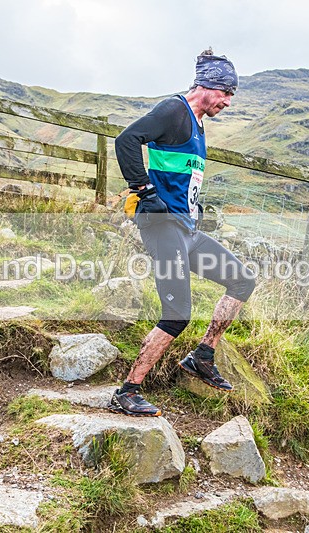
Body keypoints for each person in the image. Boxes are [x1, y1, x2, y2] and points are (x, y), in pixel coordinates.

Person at [110, 48, 256, 417]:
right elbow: (126, 140)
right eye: (226, 93)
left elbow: (182, 175)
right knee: (177, 314)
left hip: (186, 228)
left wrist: (193, 207)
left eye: (230, 96)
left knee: (242, 281)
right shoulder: (174, 111)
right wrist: (144, 190)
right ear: (208, 85)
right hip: (163, 227)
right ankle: (128, 391)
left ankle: (202, 355)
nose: (227, 102)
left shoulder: (199, 121)